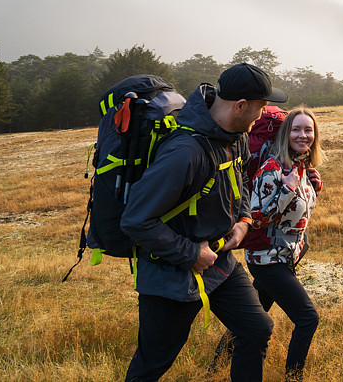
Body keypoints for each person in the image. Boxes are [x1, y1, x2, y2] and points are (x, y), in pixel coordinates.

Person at [120, 62, 288, 382]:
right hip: (170, 275)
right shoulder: (184, 152)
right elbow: (135, 220)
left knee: (256, 328)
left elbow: (240, 180)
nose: (263, 114)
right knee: (152, 363)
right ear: (240, 106)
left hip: (219, 265)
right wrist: (190, 254)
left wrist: (243, 219)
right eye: (261, 106)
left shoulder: (236, 137)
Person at [211, 106, 326, 382]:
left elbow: (295, 213)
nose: (303, 135)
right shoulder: (272, 168)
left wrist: (312, 188)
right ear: (286, 134)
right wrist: (287, 189)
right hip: (267, 259)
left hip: (285, 257)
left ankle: (215, 365)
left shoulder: (302, 168)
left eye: (308, 130)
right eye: (296, 129)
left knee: (252, 316)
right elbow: (256, 217)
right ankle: (293, 377)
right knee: (307, 318)